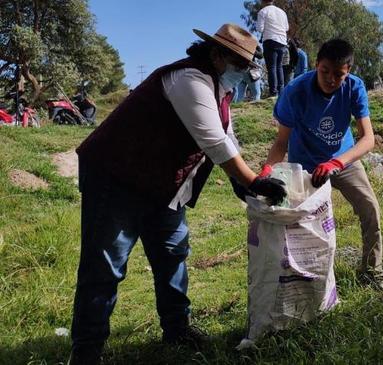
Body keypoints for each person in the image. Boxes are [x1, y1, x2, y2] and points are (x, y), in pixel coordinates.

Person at [69, 24, 287, 365]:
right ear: (216, 54)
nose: (243, 73)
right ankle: (87, 351)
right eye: (239, 64)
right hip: (116, 176)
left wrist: (240, 182)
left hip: (161, 184)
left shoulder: (219, 90)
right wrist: (250, 181)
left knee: (172, 253)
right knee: (105, 267)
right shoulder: (189, 80)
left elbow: (227, 137)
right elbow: (213, 142)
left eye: (247, 65)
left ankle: (177, 329)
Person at [263, 38, 383, 288]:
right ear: (316, 64)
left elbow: (369, 139)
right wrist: (268, 170)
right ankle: (308, 279)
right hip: (306, 166)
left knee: (370, 207)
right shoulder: (295, 92)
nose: (331, 79)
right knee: (305, 223)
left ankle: (373, 273)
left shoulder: (354, 87)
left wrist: (336, 163)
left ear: (348, 72)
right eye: (325, 71)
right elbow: (281, 143)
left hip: (343, 160)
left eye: (339, 75)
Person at [256, 0, 289, 98]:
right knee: (279, 66)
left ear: (262, 0)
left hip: (270, 40)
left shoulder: (263, 12)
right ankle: (282, 91)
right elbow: (287, 28)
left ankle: (273, 92)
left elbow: (260, 29)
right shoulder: (282, 12)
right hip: (282, 41)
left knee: (272, 67)